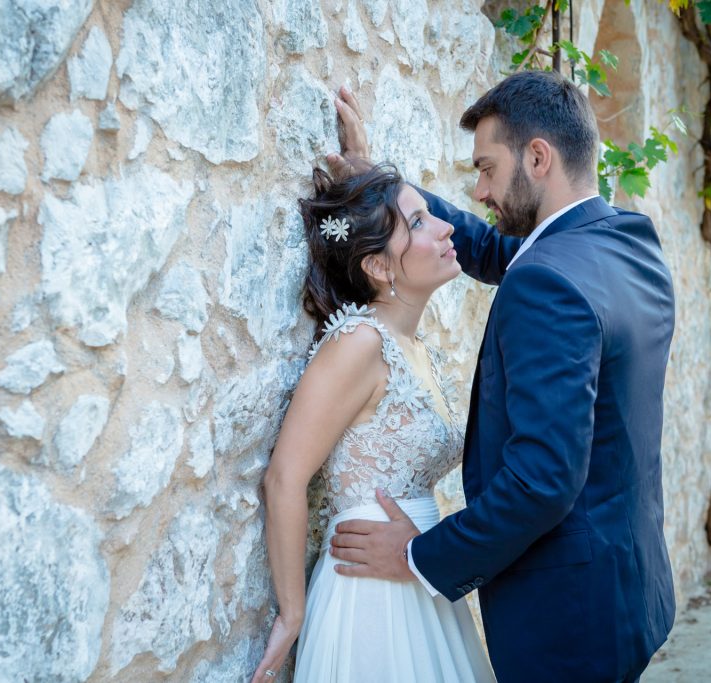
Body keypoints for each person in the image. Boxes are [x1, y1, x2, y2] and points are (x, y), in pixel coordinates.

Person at [327, 71, 677, 683]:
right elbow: (492, 249)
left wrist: (418, 556)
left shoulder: (548, 281)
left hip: (567, 622)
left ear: (538, 157)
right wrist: (380, 184)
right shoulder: (626, 244)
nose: (482, 189)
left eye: (487, 168)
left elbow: (542, 481)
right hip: (630, 588)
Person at [251, 164, 496, 682]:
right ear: (380, 268)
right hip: (370, 598)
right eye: (421, 222)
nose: (448, 228)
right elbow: (285, 477)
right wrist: (291, 613)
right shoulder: (358, 344)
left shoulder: (414, 349)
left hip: (421, 577)